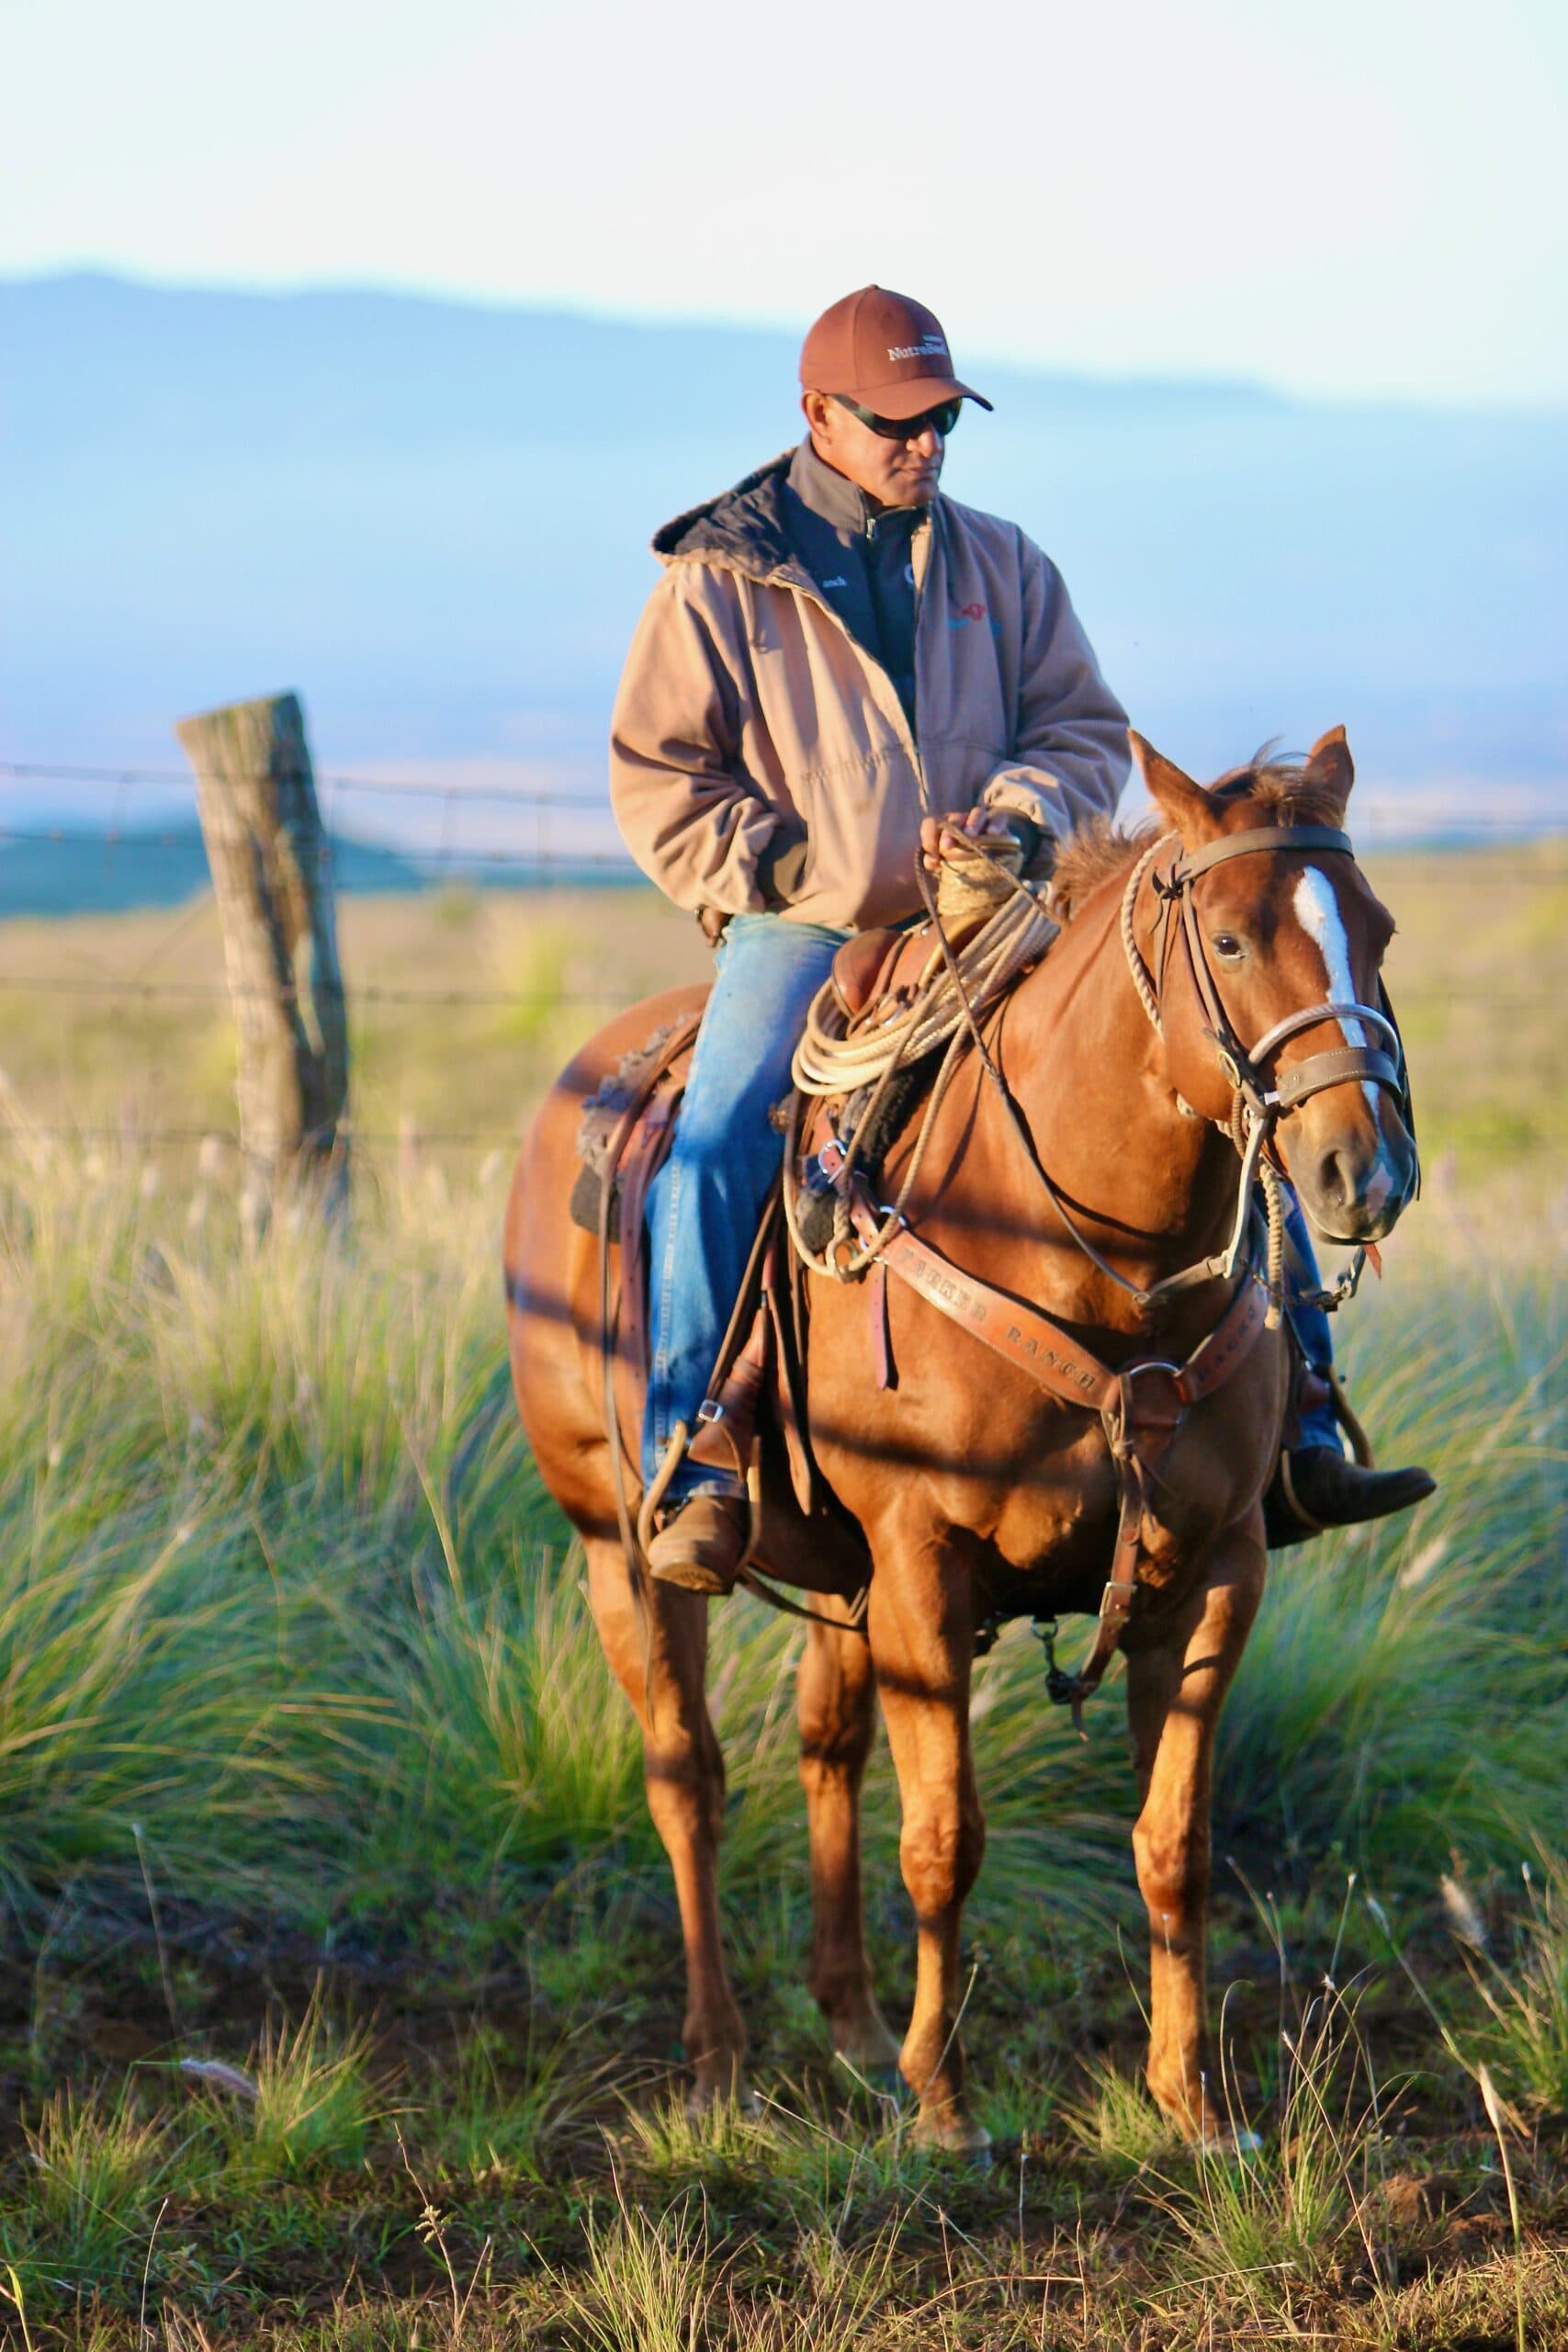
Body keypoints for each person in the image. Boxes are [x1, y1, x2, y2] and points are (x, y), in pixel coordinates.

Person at [608, 285, 1432, 1595]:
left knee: (1218, 1078)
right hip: (808, 926)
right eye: (898, 422)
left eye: (942, 420)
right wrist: (795, 869)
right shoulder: (718, 582)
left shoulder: (1001, 563)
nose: (926, 445)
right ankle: (698, 1453)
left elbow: (1083, 729)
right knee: (714, 1143)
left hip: (1008, 915)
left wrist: (1019, 813)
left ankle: (1305, 1410)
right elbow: (661, 777)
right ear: (817, 415)